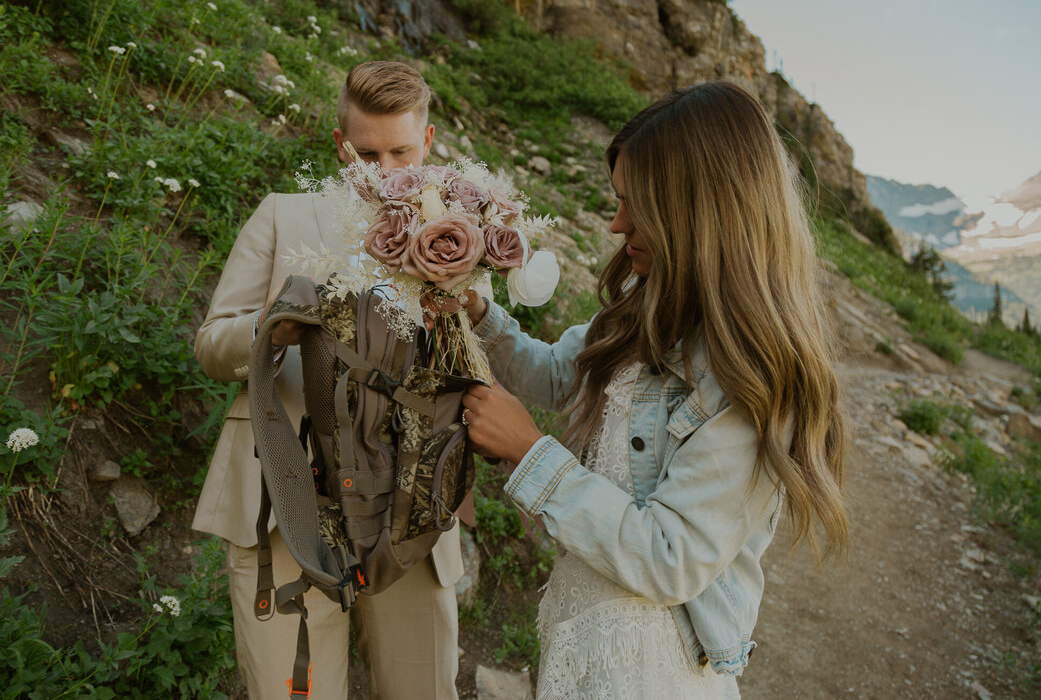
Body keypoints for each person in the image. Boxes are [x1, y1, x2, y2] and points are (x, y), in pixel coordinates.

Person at [459, 80, 850, 698]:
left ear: (705, 212)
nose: (617, 224)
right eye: (618, 200)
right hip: (585, 636)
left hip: (650, 669)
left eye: (638, 205)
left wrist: (529, 452)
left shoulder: (749, 375)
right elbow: (561, 374)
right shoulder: (647, 302)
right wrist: (479, 314)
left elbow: (671, 557)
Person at [192, 61, 463, 699]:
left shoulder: (458, 237)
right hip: (284, 502)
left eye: (400, 150)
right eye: (366, 152)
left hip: (410, 509)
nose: (384, 168)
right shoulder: (282, 215)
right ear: (340, 145)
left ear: (426, 144)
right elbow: (210, 346)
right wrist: (267, 331)